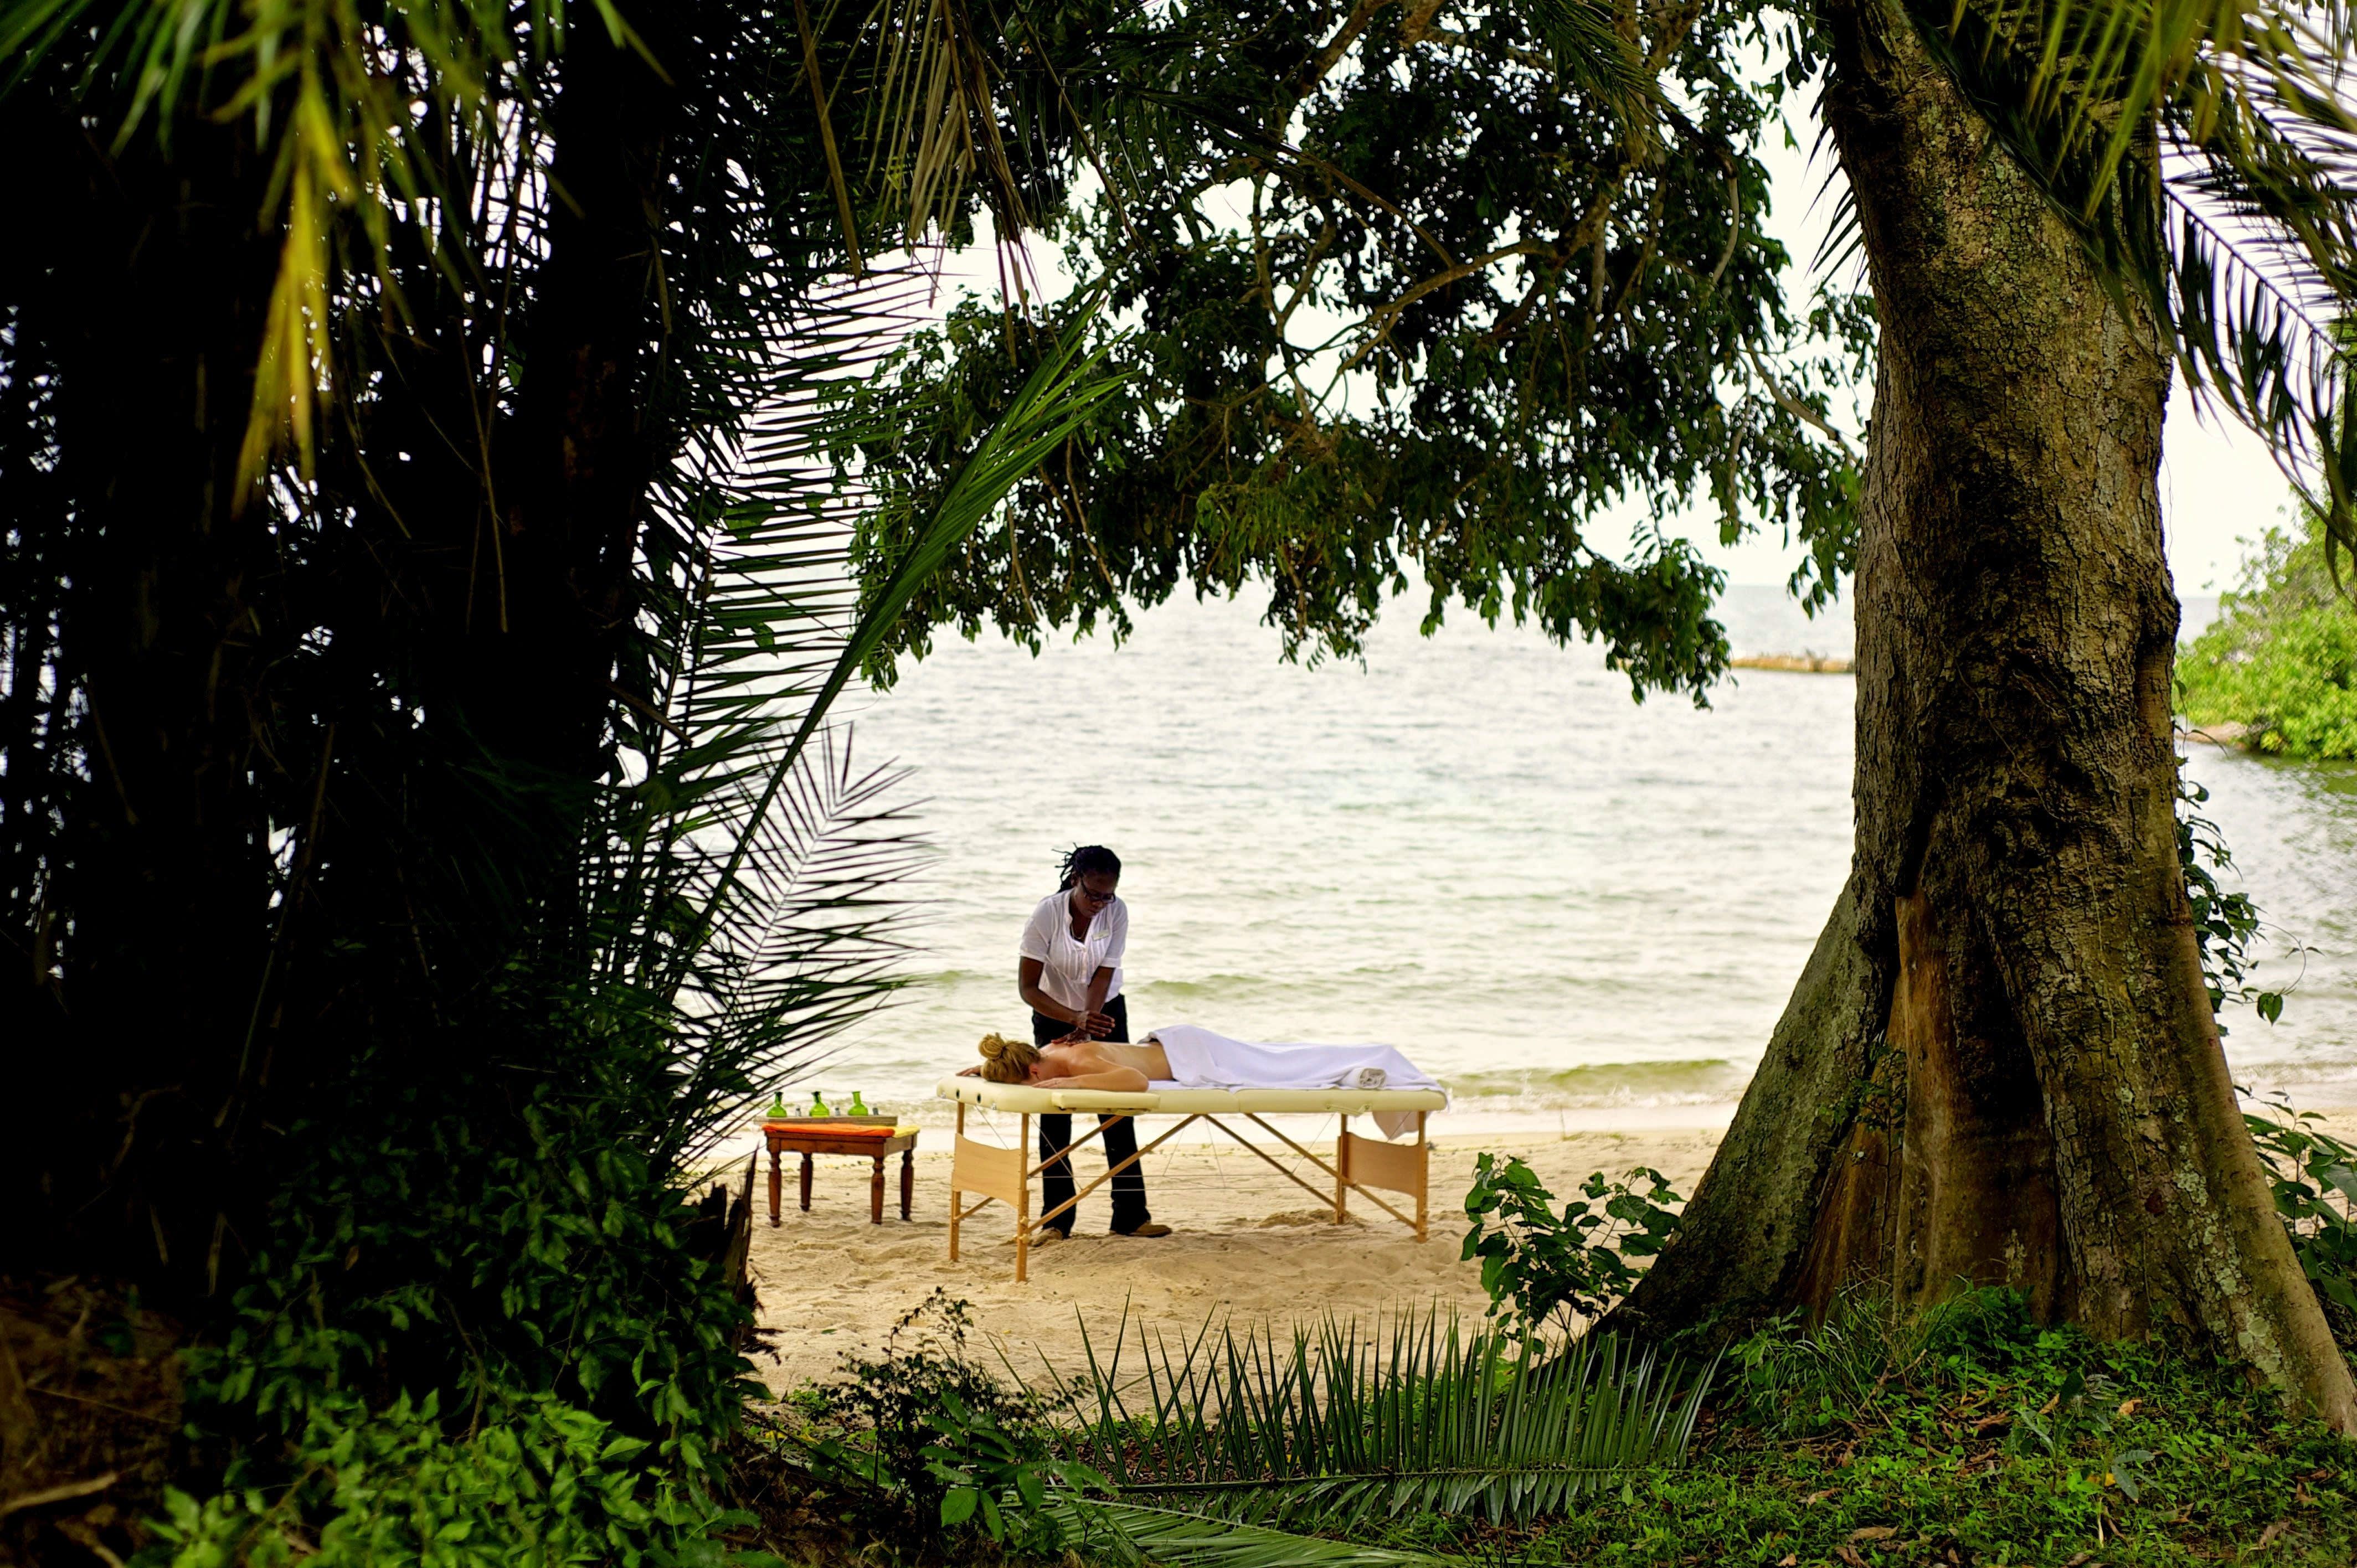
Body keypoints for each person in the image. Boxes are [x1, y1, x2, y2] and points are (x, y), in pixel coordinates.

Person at [1015, 845, 1169, 1240]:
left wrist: (1089, 1023)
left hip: (1104, 1011)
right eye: (1093, 894)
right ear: (1075, 881)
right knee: (1055, 1111)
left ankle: (1131, 1216)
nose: (1100, 903)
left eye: (1108, 895)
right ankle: (1056, 1220)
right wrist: (1072, 1020)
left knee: (1118, 1110)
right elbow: (1028, 987)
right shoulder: (1047, 913)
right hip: (1052, 1011)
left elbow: (1103, 974)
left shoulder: (1117, 911)